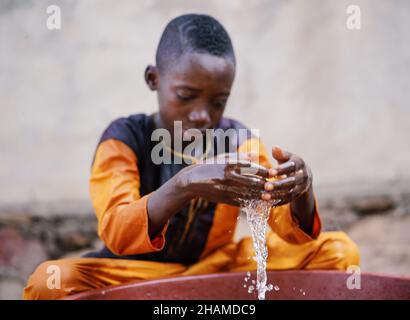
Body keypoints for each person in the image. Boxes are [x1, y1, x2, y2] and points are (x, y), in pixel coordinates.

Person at [23, 14, 359, 300]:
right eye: (186, 96)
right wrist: (185, 184)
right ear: (154, 79)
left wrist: (300, 190)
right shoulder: (123, 138)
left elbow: (290, 232)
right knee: (49, 282)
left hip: (213, 271)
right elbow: (117, 231)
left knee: (338, 252)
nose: (201, 115)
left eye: (217, 102)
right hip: (132, 274)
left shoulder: (238, 140)